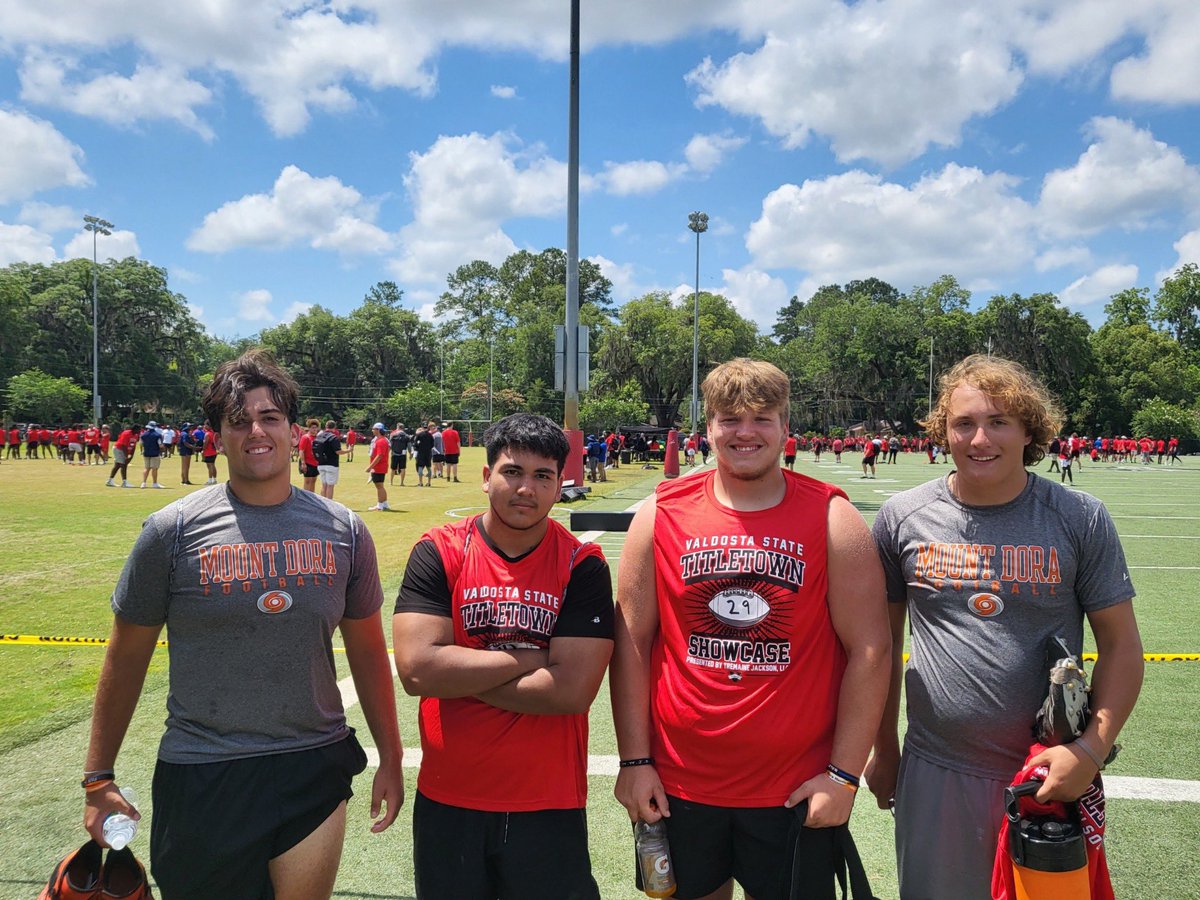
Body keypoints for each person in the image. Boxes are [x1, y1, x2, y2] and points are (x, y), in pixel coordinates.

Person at [81, 349, 404, 899]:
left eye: (270, 417)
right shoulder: (171, 531)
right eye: (238, 420)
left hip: (312, 765)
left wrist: (391, 758)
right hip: (204, 769)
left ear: (295, 430)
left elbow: (371, 653)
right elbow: (126, 657)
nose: (256, 431)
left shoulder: (345, 531)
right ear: (218, 436)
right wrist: (97, 778)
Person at [611, 357, 891, 900]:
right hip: (679, 783)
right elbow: (632, 642)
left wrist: (843, 775)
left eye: (762, 417)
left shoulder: (832, 516)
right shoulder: (660, 512)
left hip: (793, 787)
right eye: (728, 418)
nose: (745, 431)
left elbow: (871, 650)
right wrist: (635, 760)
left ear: (786, 426)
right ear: (708, 427)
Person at [866, 354, 1143, 900]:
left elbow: (1122, 646)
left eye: (998, 422)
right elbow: (881, 645)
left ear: (1028, 430)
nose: (979, 438)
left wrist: (1089, 750)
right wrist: (884, 749)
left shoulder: (1078, 516)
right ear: (942, 431)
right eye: (963, 423)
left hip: (1047, 773)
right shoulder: (902, 516)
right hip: (934, 767)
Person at [393, 413, 614, 899]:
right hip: (449, 797)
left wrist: (462, 665)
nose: (525, 489)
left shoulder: (583, 564)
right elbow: (417, 669)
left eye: (543, 476)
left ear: (560, 485)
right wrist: (533, 659)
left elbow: (572, 691)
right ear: (486, 476)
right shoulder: (439, 550)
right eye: (512, 471)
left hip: (547, 799)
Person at [314, 420, 346, 500]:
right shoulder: (333, 437)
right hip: (331, 464)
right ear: (334, 427)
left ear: (326, 426)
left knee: (324, 485)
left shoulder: (319, 436)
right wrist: (348, 450)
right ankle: (329, 504)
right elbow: (338, 451)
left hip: (321, 463)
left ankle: (323, 503)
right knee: (330, 486)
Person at [365, 423, 391, 511]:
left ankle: (380, 505)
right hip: (380, 466)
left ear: (378, 430)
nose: (372, 430)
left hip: (379, 467)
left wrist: (370, 467)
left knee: (379, 486)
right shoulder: (380, 440)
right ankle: (385, 503)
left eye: (374, 429)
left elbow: (379, 456)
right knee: (380, 486)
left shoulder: (381, 441)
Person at [298, 418, 321, 493]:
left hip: (316, 463)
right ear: (309, 428)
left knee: (313, 481)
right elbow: (301, 451)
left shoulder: (318, 438)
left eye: (315, 427)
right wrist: (303, 463)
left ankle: (312, 497)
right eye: (312, 427)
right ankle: (306, 498)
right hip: (307, 463)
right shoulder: (305, 437)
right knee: (307, 481)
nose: (314, 429)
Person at [139, 421, 164, 488]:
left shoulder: (143, 435)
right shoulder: (158, 435)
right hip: (155, 453)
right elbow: (160, 445)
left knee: (146, 468)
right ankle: (154, 483)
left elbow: (141, 444)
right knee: (154, 468)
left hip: (146, 453)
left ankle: (143, 483)